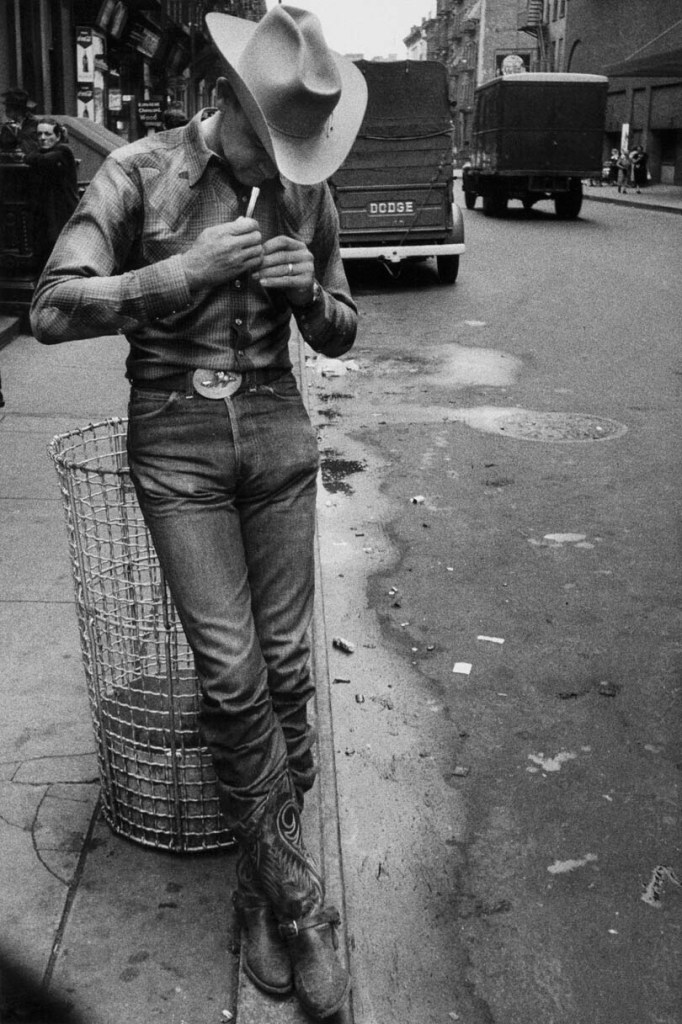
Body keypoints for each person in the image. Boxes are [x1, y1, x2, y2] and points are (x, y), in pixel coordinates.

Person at [30, 7, 367, 1020]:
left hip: (276, 426)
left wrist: (311, 295)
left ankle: (270, 890)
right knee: (232, 674)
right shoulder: (135, 172)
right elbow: (50, 305)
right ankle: (299, 906)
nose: (294, 161)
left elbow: (344, 330)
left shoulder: (308, 192)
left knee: (292, 665)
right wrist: (181, 273)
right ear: (226, 101)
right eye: (279, 137)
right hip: (174, 432)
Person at [25, 118, 79, 268]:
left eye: (47, 134)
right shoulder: (43, 152)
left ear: (58, 136)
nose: (42, 138)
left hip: (62, 215)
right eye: (39, 134)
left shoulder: (63, 151)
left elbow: (41, 160)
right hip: (47, 217)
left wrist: (29, 156)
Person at [0, 87, 39, 155]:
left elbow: (32, 147)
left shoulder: (35, 124)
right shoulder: (8, 126)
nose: (6, 110)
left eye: (8, 107)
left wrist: (18, 133)